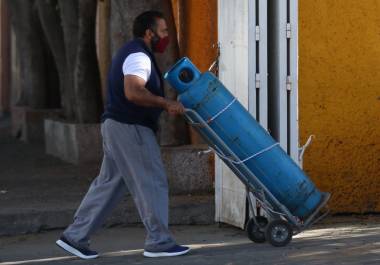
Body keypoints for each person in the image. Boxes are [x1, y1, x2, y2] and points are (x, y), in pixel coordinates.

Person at [55, 10, 190, 260]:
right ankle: (159, 242)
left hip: (116, 126)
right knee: (151, 180)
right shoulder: (139, 56)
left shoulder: (133, 52)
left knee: (109, 185)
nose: (166, 36)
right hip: (131, 128)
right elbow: (133, 92)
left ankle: (75, 236)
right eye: (163, 31)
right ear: (149, 33)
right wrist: (165, 103)